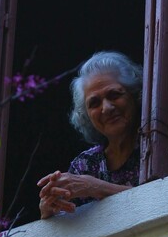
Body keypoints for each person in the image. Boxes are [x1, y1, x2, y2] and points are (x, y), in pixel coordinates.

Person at [38, 51, 142, 219]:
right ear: (86, 116)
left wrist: (94, 187)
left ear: (134, 94)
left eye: (114, 94)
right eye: (94, 103)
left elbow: (161, 196)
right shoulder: (85, 164)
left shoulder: (156, 144)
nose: (107, 108)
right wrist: (49, 209)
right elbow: (64, 226)